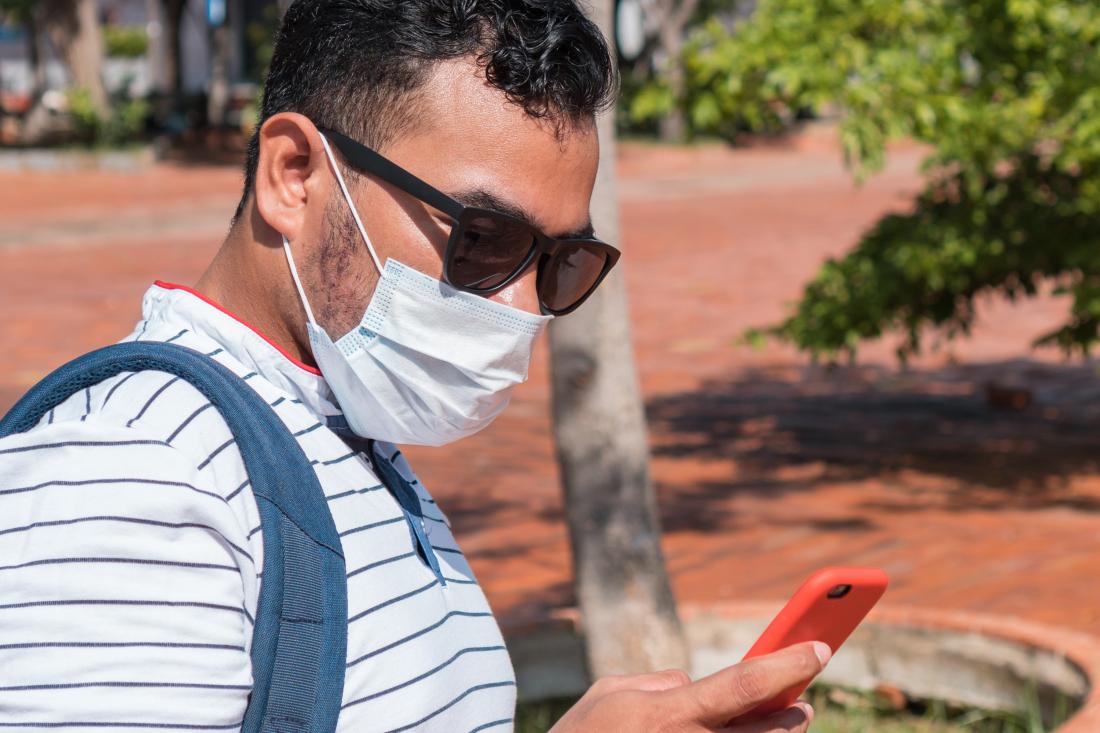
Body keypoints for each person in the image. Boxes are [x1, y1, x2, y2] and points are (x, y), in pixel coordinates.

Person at [0, 1, 828, 730]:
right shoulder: (130, 480)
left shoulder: (340, 417)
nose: (522, 307)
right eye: (485, 241)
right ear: (294, 175)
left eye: (560, 263)